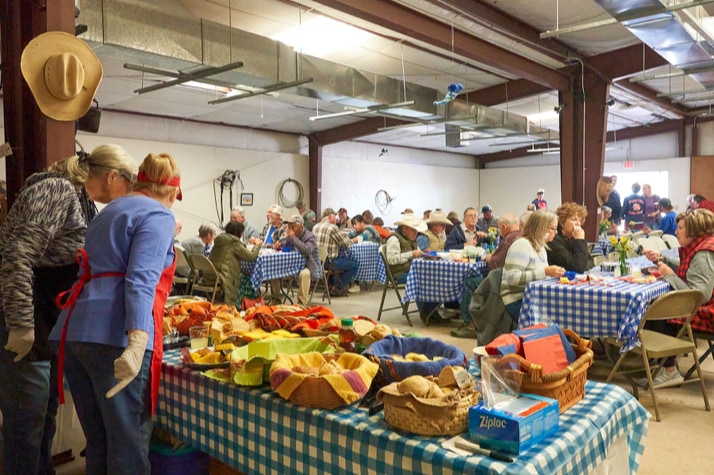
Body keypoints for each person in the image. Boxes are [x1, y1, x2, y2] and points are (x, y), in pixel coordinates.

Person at [0, 144, 134, 474]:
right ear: (112, 176)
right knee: (26, 424)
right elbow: (17, 255)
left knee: (43, 418)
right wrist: (20, 324)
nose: (128, 192)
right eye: (128, 183)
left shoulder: (85, 201)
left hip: (47, 319)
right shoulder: (55, 191)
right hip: (24, 315)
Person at [49, 152, 180, 474]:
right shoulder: (159, 215)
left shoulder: (108, 212)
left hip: (74, 331)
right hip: (114, 334)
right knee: (127, 448)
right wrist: (137, 341)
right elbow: (140, 280)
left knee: (99, 441)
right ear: (171, 192)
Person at [639, 208, 714, 388]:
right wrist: (661, 260)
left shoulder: (703, 254)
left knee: (657, 310)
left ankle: (668, 370)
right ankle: (663, 364)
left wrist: (670, 275)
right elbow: (689, 269)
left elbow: (700, 295)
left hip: (707, 313)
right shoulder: (703, 246)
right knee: (658, 305)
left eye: (680, 228)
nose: (676, 231)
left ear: (694, 231)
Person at [452, 213, 522, 338]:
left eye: (499, 228)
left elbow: (496, 265)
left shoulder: (508, 239)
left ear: (504, 227)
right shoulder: (520, 236)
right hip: (516, 282)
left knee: (470, 282)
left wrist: (490, 258)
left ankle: (470, 324)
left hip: (503, 282)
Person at [501, 210, 566, 322]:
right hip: (517, 300)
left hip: (533, 297)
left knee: (563, 310)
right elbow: (512, 278)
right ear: (541, 228)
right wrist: (546, 272)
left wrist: (554, 274)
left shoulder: (540, 246)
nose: (556, 232)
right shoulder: (522, 245)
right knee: (559, 317)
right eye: (553, 228)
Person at [208, 221, 261, 306]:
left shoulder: (220, 240)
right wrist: (257, 245)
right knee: (247, 279)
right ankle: (245, 305)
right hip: (224, 276)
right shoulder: (234, 243)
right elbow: (251, 257)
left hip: (210, 275)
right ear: (239, 233)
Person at [313, 208, 359, 296]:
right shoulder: (332, 228)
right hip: (330, 263)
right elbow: (346, 244)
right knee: (354, 265)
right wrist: (350, 239)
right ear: (330, 217)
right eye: (335, 216)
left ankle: (331, 285)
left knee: (339, 259)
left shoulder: (315, 227)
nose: (336, 218)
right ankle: (337, 287)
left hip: (317, 262)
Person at [280, 214, 321, 306]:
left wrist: (294, 238)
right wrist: (280, 242)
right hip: (293, 265)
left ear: (300, 226)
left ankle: (301, 303)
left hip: (309, 266)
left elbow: (307, 251)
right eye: (289, 227)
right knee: (275, 269)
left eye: (292, 227)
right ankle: (276, 298)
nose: (290, 229)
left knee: (304, 274)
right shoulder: (292, 235)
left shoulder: (310, 236)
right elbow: (285, 244)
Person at [547, 202, 594, 273]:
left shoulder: (573, 238)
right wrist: (580, 240)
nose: (578, 223)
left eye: (580, 220)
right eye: (574, 219)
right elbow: (579, 267)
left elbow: (590, 262)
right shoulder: (553, 239)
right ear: (562, 222)